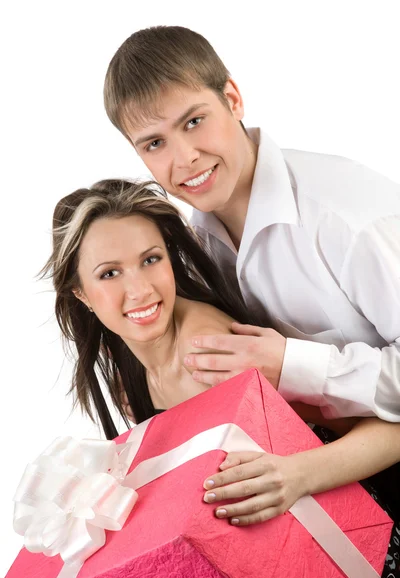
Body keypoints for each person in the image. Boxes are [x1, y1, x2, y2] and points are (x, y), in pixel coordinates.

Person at [43, 178, 399, 578]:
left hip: (366, 558)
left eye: (151, 260)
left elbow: (390, 431)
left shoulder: (212, 355)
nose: (139, 289)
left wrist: (299, 474)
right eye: (109, 273)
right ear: (80, 293)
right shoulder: (131, 373)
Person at [103, 25, 400, 424]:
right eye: (155, 143)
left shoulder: (347, 217)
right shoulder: (192, 247)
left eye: (193, 122)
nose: (185, 157)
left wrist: (292, 365)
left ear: (232, 99)